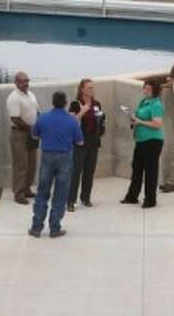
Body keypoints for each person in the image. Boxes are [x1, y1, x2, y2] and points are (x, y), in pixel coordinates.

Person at [29, 90, 84, 238]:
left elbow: (34, 134)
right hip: (65, 158)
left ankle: (36, 227)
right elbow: (80, 141)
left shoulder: (43, 117)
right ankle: (55, 228)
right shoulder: (71, 120)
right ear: (65, 103)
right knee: (60, 194)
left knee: (42, 192)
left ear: (53, 102)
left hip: (47, 156)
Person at [121, 77, 165, 209]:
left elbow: (157, 124)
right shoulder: (144, 102)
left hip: (152, 141)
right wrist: (134, 119)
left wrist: (140, 122)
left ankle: (150, 200)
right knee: (137, 168)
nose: (145, 90)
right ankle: (132, 196)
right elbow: (140, 117)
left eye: (148, 89)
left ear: (154, 91)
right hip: (141, 140)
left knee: (150, 171)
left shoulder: (156, 105)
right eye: (144, 88)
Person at [67, 78, 104, 211]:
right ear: (82, 89)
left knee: (89, 171)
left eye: (93, 87)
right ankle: (71, 201)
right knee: (75, 171)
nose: (92, 90)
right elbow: (71, 123)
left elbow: (101, 119)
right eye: (89, 87)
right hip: (80, 141)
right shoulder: (75, 104)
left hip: (93, 141)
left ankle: (86, 197)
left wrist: (101, 128)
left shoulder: (97, 104)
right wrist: (82, 112)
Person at [6, 71, 39, 204]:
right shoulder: (13, 98)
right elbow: (15, 118)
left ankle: (27, 188)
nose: (25, 83)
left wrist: (38, 126)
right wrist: (31, 128)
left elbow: (36, 111)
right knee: (21, 164)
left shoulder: (31, 95)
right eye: (22, 81)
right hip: (19, 134)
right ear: (16, 82)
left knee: (32, 163)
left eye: (27, 81)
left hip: (32, 133)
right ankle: (18, 193)